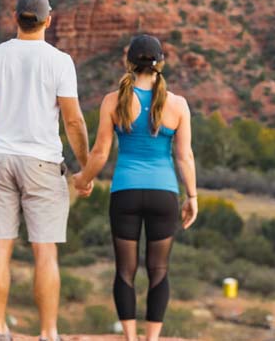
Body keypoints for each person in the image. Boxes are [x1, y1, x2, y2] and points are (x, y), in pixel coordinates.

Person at [0, 0, 93, 341]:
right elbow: (73, 122)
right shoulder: (60, 61)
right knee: (44, 250)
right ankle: (48, 333)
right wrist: (85, 169)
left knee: (0, 243)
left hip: (0, 158)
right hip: (43, 162)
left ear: (15, 18)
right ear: (48, 20)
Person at [73, 34, 197, 341]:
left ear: (129, 62)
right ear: (161, 64)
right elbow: (185, 156)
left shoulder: (113, 100)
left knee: (124, 270)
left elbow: (101, 152)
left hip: (125, 193)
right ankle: (151, 339)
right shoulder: (178, 105)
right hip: (164, 194)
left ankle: (130, 337)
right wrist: (192, 196)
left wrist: (84, 179)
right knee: (159, 271)